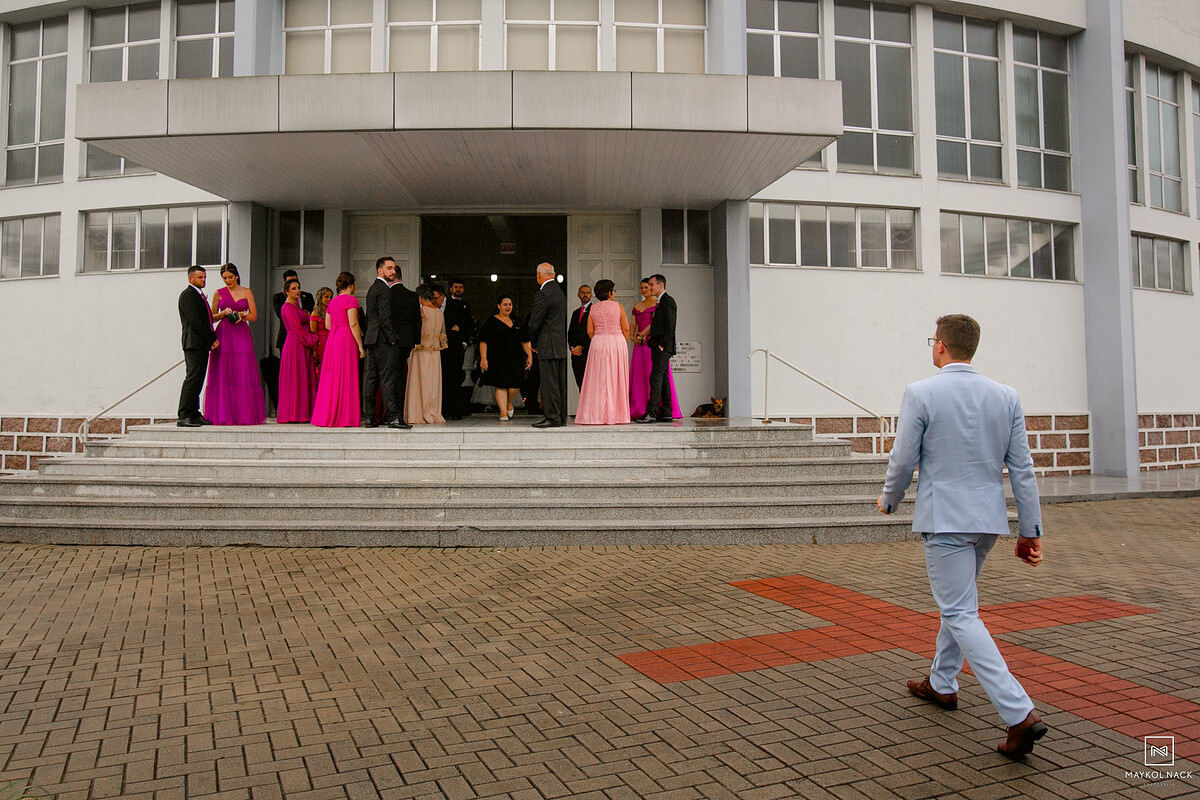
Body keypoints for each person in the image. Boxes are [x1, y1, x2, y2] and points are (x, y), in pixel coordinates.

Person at [877, 314, 1047, 759]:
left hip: (946, 519)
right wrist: (1029, 530)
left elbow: (903, 458)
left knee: (959, 611)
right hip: (987, 522)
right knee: (960, 605)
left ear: (940, 346)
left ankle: (1018, 713)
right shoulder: (1005, 396)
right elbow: (1023, 469)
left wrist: (889, 500)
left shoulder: (921, 392)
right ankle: (942, 682)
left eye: (933, 340)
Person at [203, 263, 267, 425]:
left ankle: (243, 414)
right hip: (224, 332)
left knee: (243, 370)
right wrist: (223, 314)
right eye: (224, 278)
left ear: (236, 276)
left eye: (230, 277)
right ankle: (224, 414)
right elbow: (211, 317)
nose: (227, 281)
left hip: (241, 333)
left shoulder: (247, 292)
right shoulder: (218, 293)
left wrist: (242, 316)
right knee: (224, 371)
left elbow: (254, 316)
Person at [361, 257, 410, 429]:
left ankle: (370, 417)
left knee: (372, 378)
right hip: (383, 340)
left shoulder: (373, 289)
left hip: (372, 339)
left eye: (394, 268)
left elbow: (371, 317)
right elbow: (385, 318)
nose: (393, 272)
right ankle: (393, 417)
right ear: (379, 271)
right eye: (389, 268)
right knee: (388, 379)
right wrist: (393, 339)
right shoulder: (384, 290)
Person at [311, 272, 365, 428]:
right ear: (351, 285)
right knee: (347, 376)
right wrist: (360, 345)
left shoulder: (332, 302)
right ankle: (345, 415)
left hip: (333, 339)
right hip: (346, 339)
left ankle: (327, 414)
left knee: (332, 377)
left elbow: (327, 325)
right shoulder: (351, 300)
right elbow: (354, 324)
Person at [575, 280, 630, 425]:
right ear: (610, 293)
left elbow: (589, 331)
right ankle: (617, 414)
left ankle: (595, 414)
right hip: (616, 341)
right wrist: (621, 341)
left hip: (598, 342)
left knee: (597, 378)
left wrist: (600, 339)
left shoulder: (593, 308)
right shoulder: (618, 306)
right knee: (615, 378)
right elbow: (626, 328)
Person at [629, 277, 682, 420]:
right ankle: (666, 412)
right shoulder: (660, 302)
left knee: (655, 378)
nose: (650, 288)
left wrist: (662, 345)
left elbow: (670, 325)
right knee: (663, 379)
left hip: (662, 347)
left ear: (660, 285)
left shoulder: (667, 301)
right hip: (658, 346)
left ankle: (651, 413)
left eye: (651, 285)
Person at [478, 294, 533, 421]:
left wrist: (529, 356)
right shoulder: (491, 321)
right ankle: (503, 413)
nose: (508, 307)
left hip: (516, 359)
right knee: (501, 385)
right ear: (499, 306)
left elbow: (524, 341)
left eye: (510, 304)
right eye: (505, 304)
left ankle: (508, 402)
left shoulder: (517, 322)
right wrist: (483, 358)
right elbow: (483, 341)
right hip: (497, 359)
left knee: (515, 386)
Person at [527, 262, 568, 428]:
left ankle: (552, 417)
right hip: (558, 343)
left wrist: (533, 342)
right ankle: (561, 416)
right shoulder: (559, 292)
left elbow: (534, 322)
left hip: (547, 343)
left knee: (549, 382)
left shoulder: (543, 293)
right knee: (559, 382)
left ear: (539, 275)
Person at [177, 266, 217, 427]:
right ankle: (184, 414)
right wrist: (211, 339)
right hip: (193, 342)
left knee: (199, 378)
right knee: (193, 377)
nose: (203, 280)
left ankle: (194, 412)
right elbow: (196, 322)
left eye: (204, 277)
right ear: (191, 279)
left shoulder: (198, 295)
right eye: (200, 277)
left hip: (200, 343)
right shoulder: (188, 296)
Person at [277, 278, 319, 423]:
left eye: (298, 288)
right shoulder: (287, 307)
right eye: (293, 288)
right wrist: (313, 339)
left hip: (301, 345)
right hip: (296, 345)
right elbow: (297, 329)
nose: (297, 291)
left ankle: (304, 412)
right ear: (286, 291)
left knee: (302, 377)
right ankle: (295, 413)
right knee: (296, 377)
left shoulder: (295, 307)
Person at [404, 286, 446, 425]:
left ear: (420, 298)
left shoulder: (421, 311)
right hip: (435, 352)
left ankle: (418, 413)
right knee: (433, 383)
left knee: (419, 382)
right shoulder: (439, 313)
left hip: (420, 351)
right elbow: (442, 336)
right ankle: (433, 412)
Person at [434, 282, 472, 420]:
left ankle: (455, 410)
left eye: (436, 298)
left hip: (455, 348)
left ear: (442, 296)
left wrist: (464, 342)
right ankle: (442, 410)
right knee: (440, 379)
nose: (434, 300)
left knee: (455, 379)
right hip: (438, 349)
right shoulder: (432, 307)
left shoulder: (458, 305)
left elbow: (467, 324)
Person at [389, 267, 422, 421]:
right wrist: (415, 341)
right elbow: (418, 321)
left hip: (390, 342)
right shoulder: (412, 296)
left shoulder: (387, 294)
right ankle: (401, 412)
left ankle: (392, 413)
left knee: (389, 378)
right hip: (407, 342)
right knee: (401, 376)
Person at [272, 268, 315, 352]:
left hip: (307, 336)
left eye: (296, 280)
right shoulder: (280, 299)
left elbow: (313, 312)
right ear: (284, 283)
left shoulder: (307, 296)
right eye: (290, 282)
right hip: (288, 337)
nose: (294, 284)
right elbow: (281, 314)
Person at [568, 284, 593, 390]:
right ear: (578, 295)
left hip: (588, 353)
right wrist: (572, 347)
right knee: (581, 385)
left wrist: (582, 346)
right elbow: (571, 332)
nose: (585, 295)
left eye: (587, 293)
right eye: (583, 292)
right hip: (576, 357)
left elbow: (592, 333)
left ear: (591, 295)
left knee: (590, 386)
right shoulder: (576, 312)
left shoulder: (594, 311)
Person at [309, 287, 332, 380]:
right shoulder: (316, 312)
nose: (329, 299)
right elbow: (313, 332)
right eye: (326, 297)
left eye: (331, 297)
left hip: (330, 342)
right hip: (320, 344)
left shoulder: (330, 311)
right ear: (320, 298)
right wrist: (314, 350)